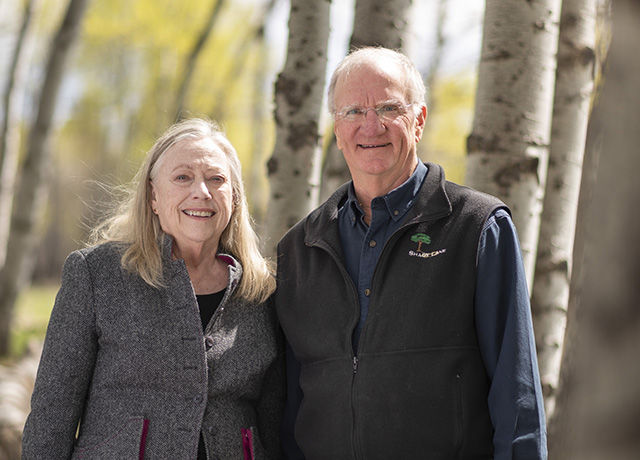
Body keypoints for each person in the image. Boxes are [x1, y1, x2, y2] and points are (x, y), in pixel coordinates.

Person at [275, 47, 547, 459]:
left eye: (388, 107)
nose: (371, 125)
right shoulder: (298, 249)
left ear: (418, 120)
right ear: (336, 128)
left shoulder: (477, 226)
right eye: (353, 111)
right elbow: (287, 409)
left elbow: (518, 396)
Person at [22, 118, 285, 459]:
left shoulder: (261, 292)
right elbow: (50, 417)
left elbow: (274, 421)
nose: (201, 192)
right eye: (182, 177)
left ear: (234, 198)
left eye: (216, 179)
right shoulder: (95, 275)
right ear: (153, 196)